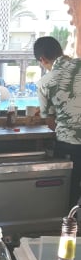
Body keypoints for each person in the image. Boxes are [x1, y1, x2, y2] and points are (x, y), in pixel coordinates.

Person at [34, 35, 81, 208]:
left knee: (69, 195)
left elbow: (50, 122)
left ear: (42, 59)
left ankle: (70, 221)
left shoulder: (45, 83)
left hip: (70, 146)